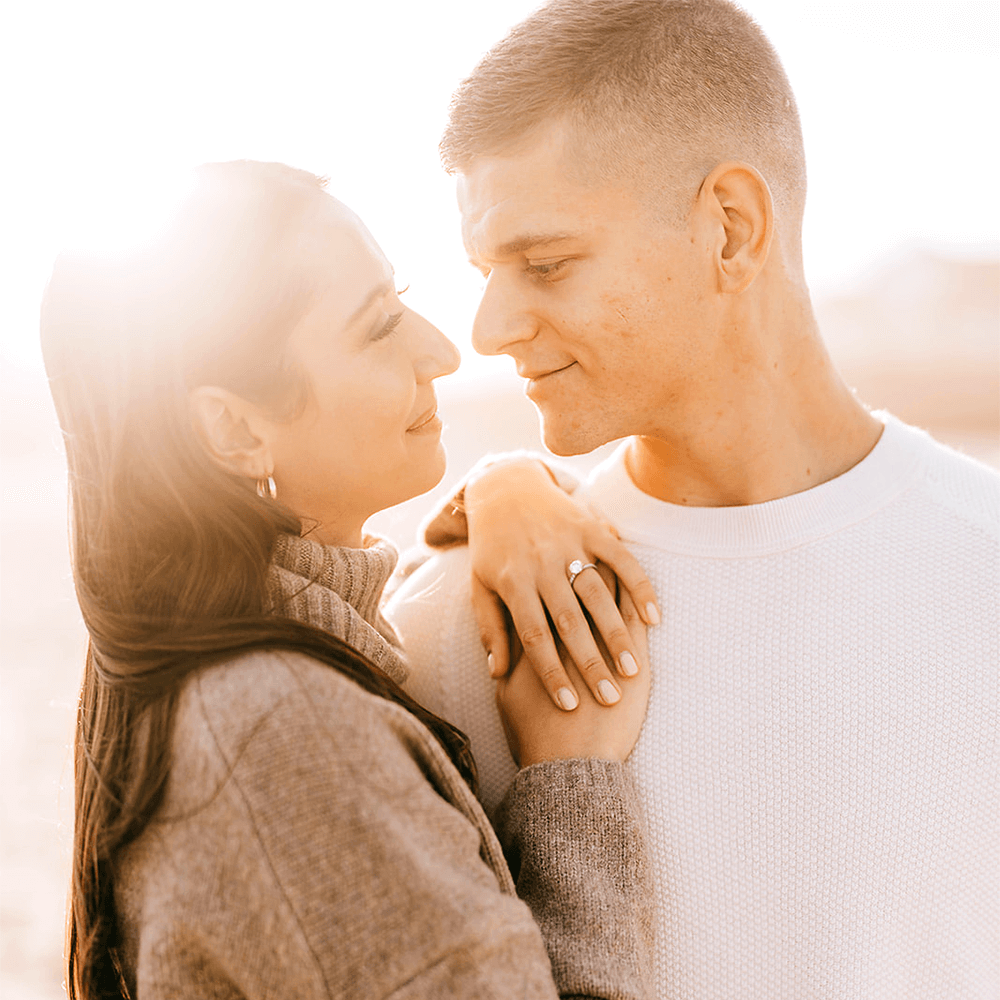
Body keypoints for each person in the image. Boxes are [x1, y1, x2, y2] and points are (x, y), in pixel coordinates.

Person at [385, 2, 1000, 997]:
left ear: (729, 227)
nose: (488, 329)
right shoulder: (461, 624)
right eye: (486, 271)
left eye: (544, 263)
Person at [41, 160, 656, 999]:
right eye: (378, 326)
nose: (441, 349)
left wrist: (507, 483)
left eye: (401, 298)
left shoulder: (193, 661)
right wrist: (569, 779)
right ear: (232, 428)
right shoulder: (281, 733)